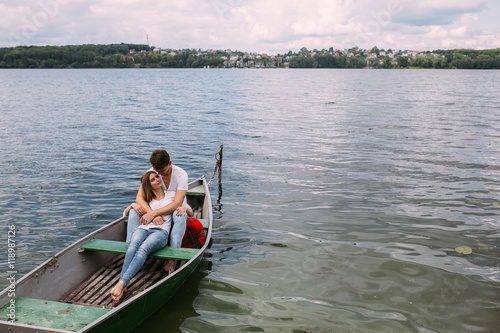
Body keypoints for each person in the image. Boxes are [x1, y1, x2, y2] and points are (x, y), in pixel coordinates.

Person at [111, 171, 176, 302]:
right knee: (132, 246)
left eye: (157, 177)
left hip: (160, 232)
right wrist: (132, 205)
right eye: (152, 180)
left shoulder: (172, 196)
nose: (157, 180)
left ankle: (122, 282)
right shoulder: (147, 200)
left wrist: (184, 209)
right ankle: (122, 284)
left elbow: (184, 207)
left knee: (143, 249)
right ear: (149, 186)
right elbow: (125, 213)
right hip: (144, 228)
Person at [126, 149, 190, 273]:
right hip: (156, 206)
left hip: (175, 207)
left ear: (169, 163)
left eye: (161, 171)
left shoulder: (181, 175)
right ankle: (129, 250)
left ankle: (172, 257)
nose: (158, 175)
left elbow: (177, 203)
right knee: (134, 211)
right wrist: (152, 214)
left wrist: (154, 214)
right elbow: (139, 197)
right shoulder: (152, 172)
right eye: (156, 171)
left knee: (179, 215)